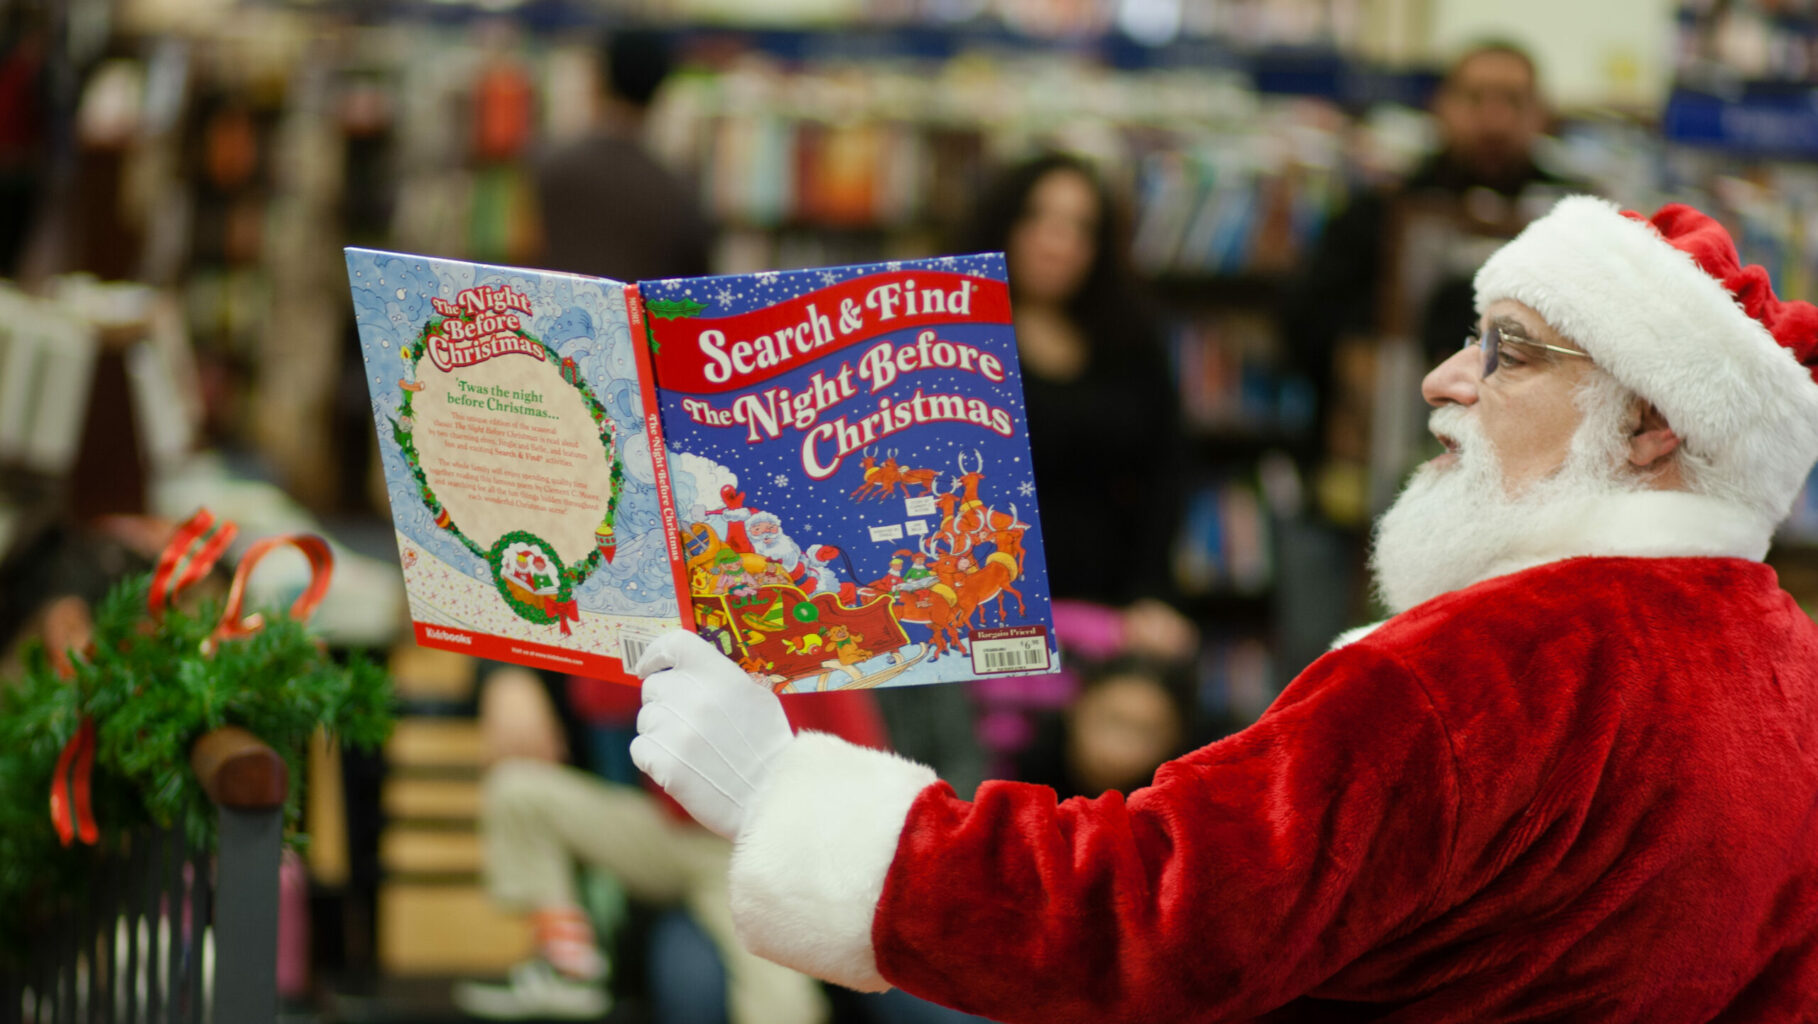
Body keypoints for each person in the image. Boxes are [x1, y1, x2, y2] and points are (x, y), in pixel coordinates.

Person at [628, 194, 1818, 1020]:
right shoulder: (1785, 665)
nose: (1444, 380)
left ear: (1655, 426)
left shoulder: (1483, 673)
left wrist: (781, 794)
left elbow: (1157, 914)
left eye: (1509, 351)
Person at [1281, 40, 1580, 401]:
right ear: (1440, 106)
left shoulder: (1575, 220)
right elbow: (1306, 328)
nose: (1494, 120)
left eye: (1513, 101)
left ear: (1541, 114)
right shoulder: (1375, 214)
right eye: (1475, 99)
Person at [528, 27, 709, 283]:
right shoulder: (677, 191)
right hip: (638, 321)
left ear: (600, 80)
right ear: (661, 89)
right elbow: (693, 284)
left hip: (553, 318)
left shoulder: (548, 166)